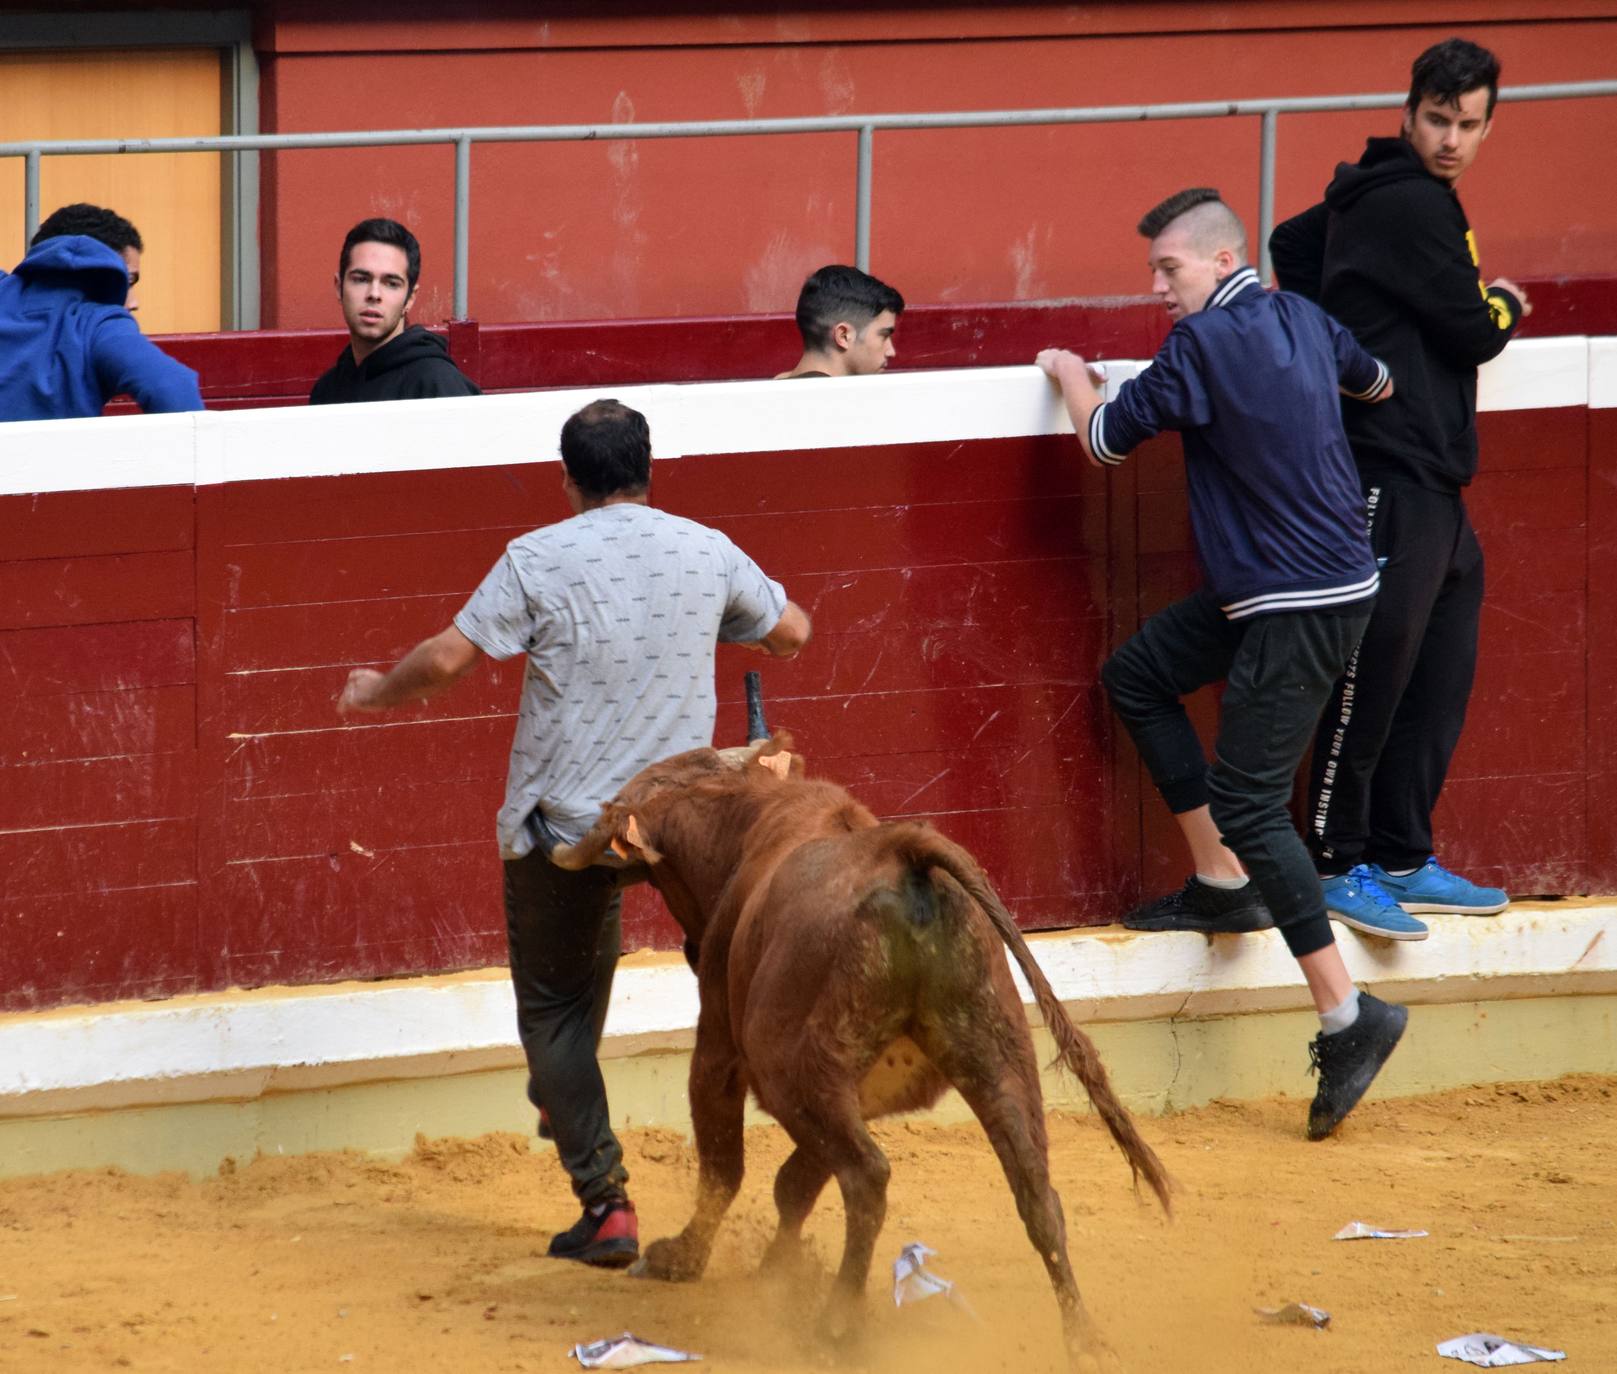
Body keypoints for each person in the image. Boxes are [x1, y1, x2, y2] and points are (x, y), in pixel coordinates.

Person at [336, 399, 811, 1262]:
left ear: (567, 480)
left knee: (555, 1008)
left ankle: (607, 1205)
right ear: (648, 471)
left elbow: (444, 660)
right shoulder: (703, 548)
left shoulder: (538, 556)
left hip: (570, 822)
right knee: (692, 980)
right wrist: (728, 626)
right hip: (681, 821)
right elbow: (791, 631)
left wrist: (372, 693)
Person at [1037, 188, 1409, 1139]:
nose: (1159, 287)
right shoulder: (1304, 319)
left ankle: (1346, 1014)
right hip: (1302, 585)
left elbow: (1100, 440)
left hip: (1292, 599)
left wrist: (1068, 371)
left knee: (1250, 802)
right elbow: (1378, 386)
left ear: (1220, 259)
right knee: (1138, 674)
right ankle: (1219, 880)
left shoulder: (1196, 346)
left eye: (1169, 269)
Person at [1269, 38, 1527, 934]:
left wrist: (1349, 335)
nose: (1450, 139)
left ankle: (1402, 854)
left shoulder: (1378, 195)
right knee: (1372, 673)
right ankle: (1334, 860)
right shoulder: (1409, 200)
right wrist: (1507, 302)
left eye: (1467, 124)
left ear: (1487, 126)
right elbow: (1476, 332)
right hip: (1390, 468)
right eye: (1437, 119)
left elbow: (1289, 241)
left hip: (1432, 477)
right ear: (1408, 112)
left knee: (1435, 675)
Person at [0, 202, 202, 421]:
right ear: (104, 267)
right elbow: (172, 386)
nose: (133, 302)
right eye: (127, 280)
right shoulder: (99, 323)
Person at [309, 218, 479, 404]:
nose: (374, 294)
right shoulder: (326, 390)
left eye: (391, 284)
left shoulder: (437, 384)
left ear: (410, 298)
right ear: (338, 287)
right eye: (361, 279)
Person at [775, 263, 903, 378]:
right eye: (884, 336)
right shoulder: (844, 397)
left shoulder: (776, 388)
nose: (891, 352)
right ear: (844, 335)